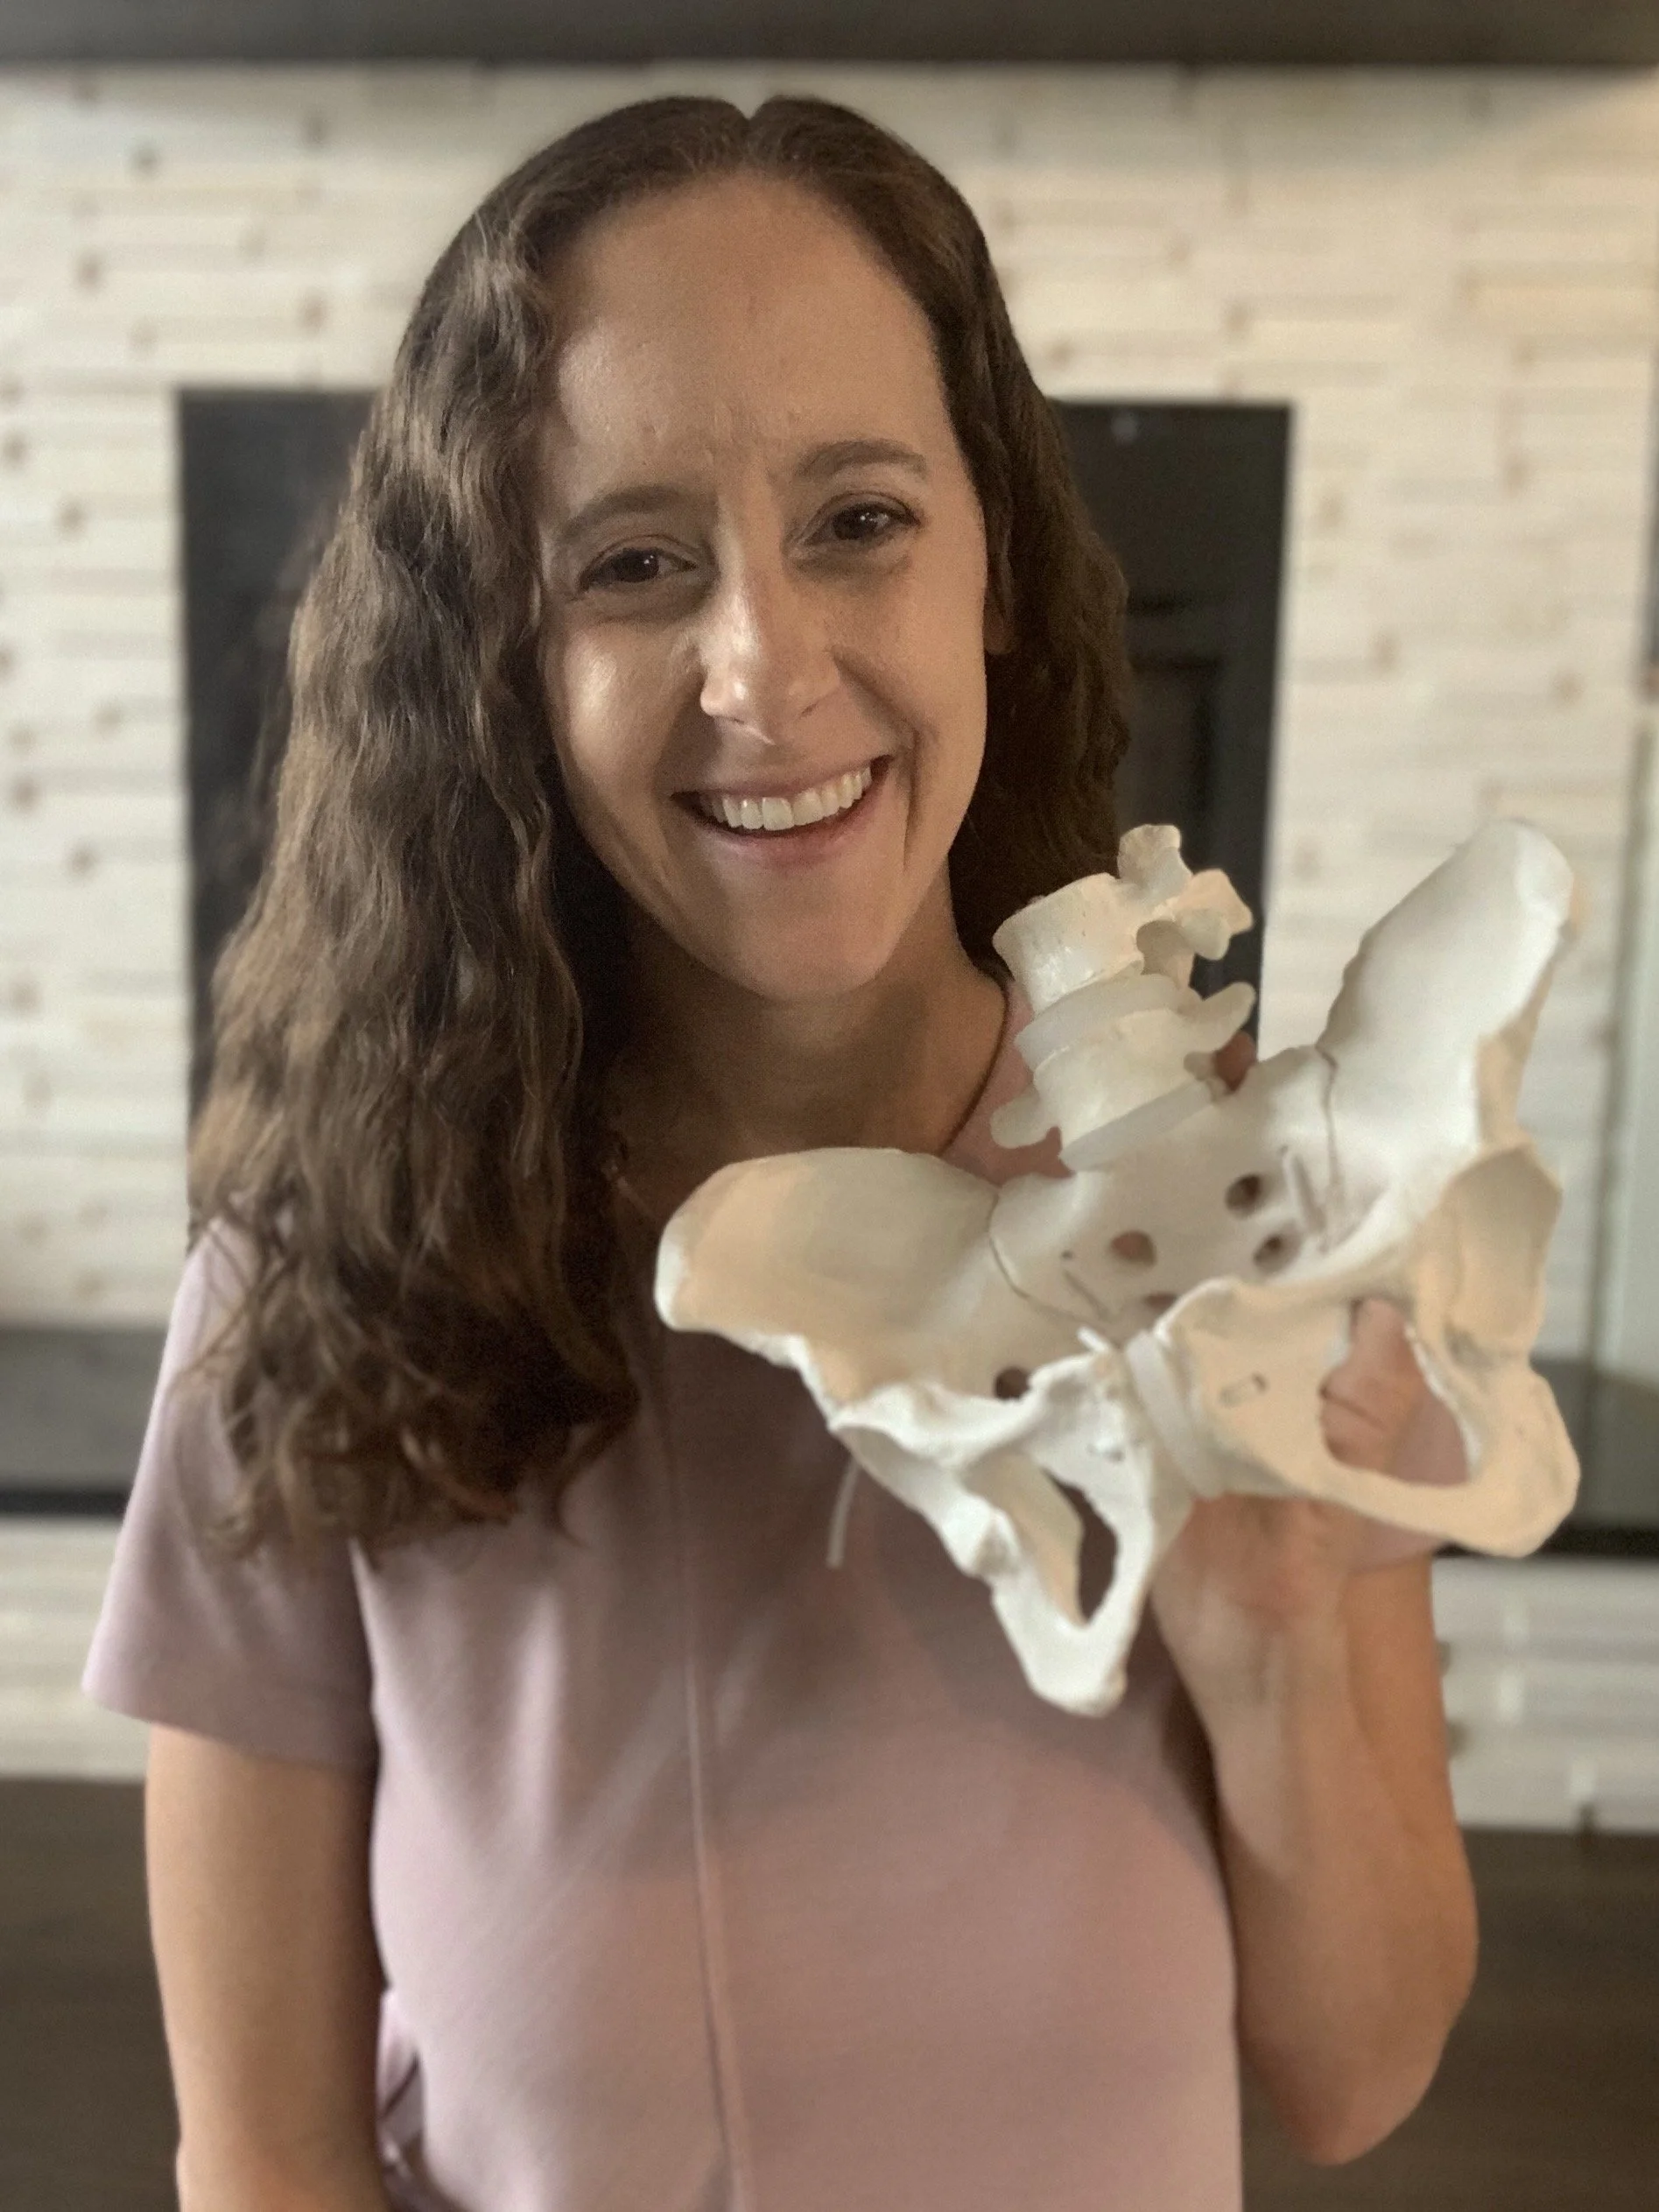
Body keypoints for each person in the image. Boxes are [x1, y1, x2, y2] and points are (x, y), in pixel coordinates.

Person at [83, 95, 1476, 2212]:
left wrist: (1272, 1614)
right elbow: (262, 2152)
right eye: (634, 564)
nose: (767, 669)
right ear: (501, 667)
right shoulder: (321, 1286)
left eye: (856, 521)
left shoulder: (1253, 1225)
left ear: (989, 563)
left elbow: (1358, 2070)